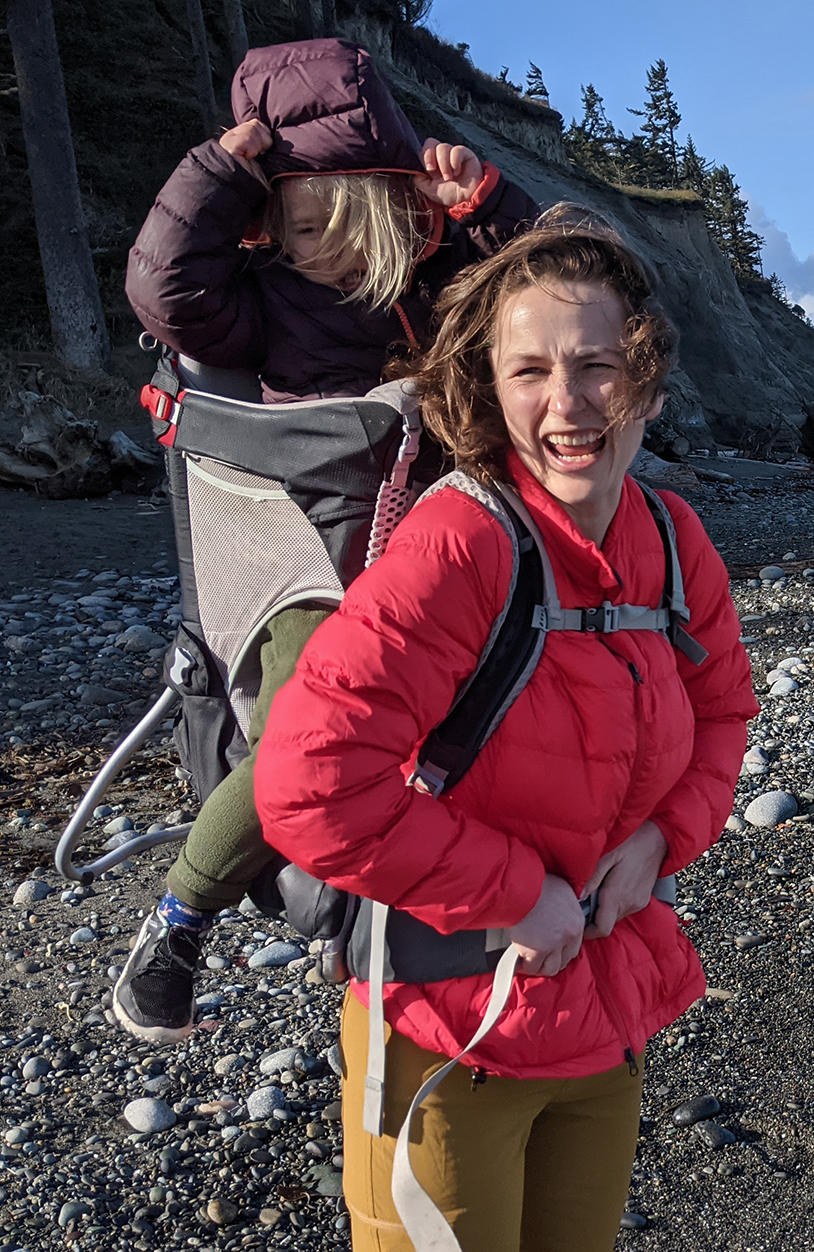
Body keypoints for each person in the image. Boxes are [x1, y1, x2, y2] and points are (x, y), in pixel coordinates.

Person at [252, 215, 759, 1251]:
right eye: (528, 370)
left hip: (602, 1016)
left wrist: (665, 838)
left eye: (598, 366)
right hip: (443, 1033)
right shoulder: (460, 543)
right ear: (487, 389)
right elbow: (309, 786)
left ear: (649, 382)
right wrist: (517, 892)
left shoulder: (671, 538)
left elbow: (723, 714)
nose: (564, 406)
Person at [112, 37, 536, 1044]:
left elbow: (553, 277)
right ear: (271, 223)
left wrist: (487, 202)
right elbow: (162, 293)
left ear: (392, 210)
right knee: (316, 724)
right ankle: (178, 916)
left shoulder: (437, 291)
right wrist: (219, 171)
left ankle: (418, 906)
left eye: (341, 225)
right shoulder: (257, 307)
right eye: (298, 227)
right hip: (306, 554)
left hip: (425, 547)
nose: (321, 250)